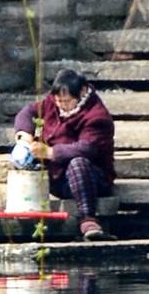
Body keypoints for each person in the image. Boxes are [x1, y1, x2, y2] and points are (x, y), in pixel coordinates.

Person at [12, 66, 114, 237]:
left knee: (78, 163)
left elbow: (87, 148)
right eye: (58, 101)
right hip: (57, 177)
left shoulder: (97, 116)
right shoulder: (52, 103)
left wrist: (51, 152)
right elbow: (28, 112)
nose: (61, 105)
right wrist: (24, 137)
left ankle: (88, 219)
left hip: (91, 179)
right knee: (24, 158)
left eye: (66, 102)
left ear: (81, 92)